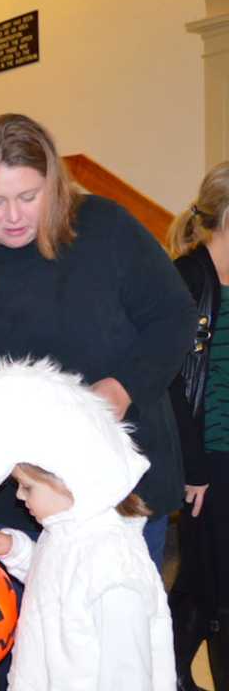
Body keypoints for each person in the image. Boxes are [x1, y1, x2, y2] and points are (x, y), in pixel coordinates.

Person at [0, 113, 196, 689]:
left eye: (27, 196)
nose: (12, 216)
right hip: (21, 498)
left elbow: (174, 318)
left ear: (54, 185)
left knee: (114, 655)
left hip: (120, 493)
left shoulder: (105, 230)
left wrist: (117, 391)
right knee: (35, 650)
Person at [0, 358, 176, 690]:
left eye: (28, 486)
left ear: (69, 478)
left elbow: (127, 674)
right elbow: (53, 580)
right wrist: (16, 550)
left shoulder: (114, 566)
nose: (20, 496)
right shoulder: (66, 533)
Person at [166, 162, 229, 691]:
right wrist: (195, 467)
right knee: (212, 588)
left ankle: (165, 670)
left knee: (200, 583)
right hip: (206, 463)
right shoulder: (185, 280)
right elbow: (171, 383)